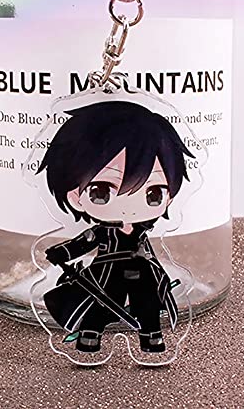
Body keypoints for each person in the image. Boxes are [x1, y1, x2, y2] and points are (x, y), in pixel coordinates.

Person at [37, 101, 195, 353]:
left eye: (153, 193)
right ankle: (89, 336)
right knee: (100, 304)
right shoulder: (103, 233)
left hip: (144, 273)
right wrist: (61, 253)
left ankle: (152, 337)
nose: (129, 206)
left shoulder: (143, 232)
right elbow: (83, 243)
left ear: (169, 197)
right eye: (102, 191)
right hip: (108, 273)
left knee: (148, 305)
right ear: (75, 196)